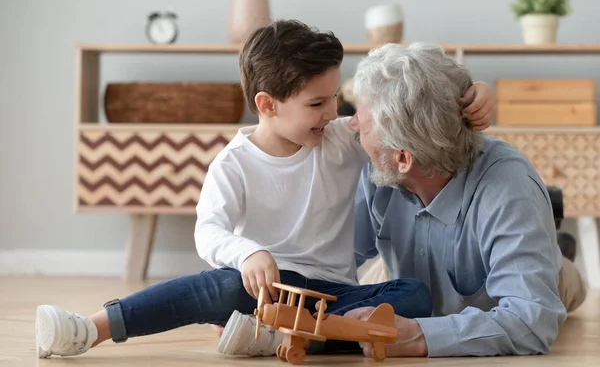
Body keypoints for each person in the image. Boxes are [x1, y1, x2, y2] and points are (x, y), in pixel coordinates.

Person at [34, 20, 493, 359]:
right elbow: (208, 232)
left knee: (413, 295)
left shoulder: (338, 138)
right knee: (216, 287)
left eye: (336, 97)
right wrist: (246, 252)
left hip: (333, 294)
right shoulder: (233, 165)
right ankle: (90, 328)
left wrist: (470, 96)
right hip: (264, 289)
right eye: (317, 102)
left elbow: (398, 124)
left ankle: (281, 335)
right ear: (267, 105)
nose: (334, 111)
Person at [343, 42, 588, 358]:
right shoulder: (379, 168)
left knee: (561, 285)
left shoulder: (509, 188)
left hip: (538, 275)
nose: (350, 126)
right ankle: (541, 235)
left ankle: (553, 249)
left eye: (361, 125)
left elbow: (532, 320)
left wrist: (421, 336)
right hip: (404, 276)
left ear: (403, 158)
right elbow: (335, 257)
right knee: (382, 282)